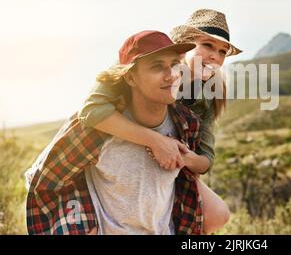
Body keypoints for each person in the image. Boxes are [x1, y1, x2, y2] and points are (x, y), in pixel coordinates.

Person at [78, 9, 242, 234]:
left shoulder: (208, 94)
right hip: (113, 144)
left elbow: (206, 160)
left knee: (217, 214)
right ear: (185, 44)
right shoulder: (141, 58)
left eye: (222, 51)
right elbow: (91, 110)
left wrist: (183, 157)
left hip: (168, 163)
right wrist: (156, 141)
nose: (215, 56)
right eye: (207, 45)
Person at [25, 31, 203, 235]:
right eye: (157, 66)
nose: (172, 74)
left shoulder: (187, 125)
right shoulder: (98, 128)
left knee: (220, 214)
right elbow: (44, 179)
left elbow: (189, 184)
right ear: (131, 78)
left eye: (174, 64)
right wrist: (76, 224)